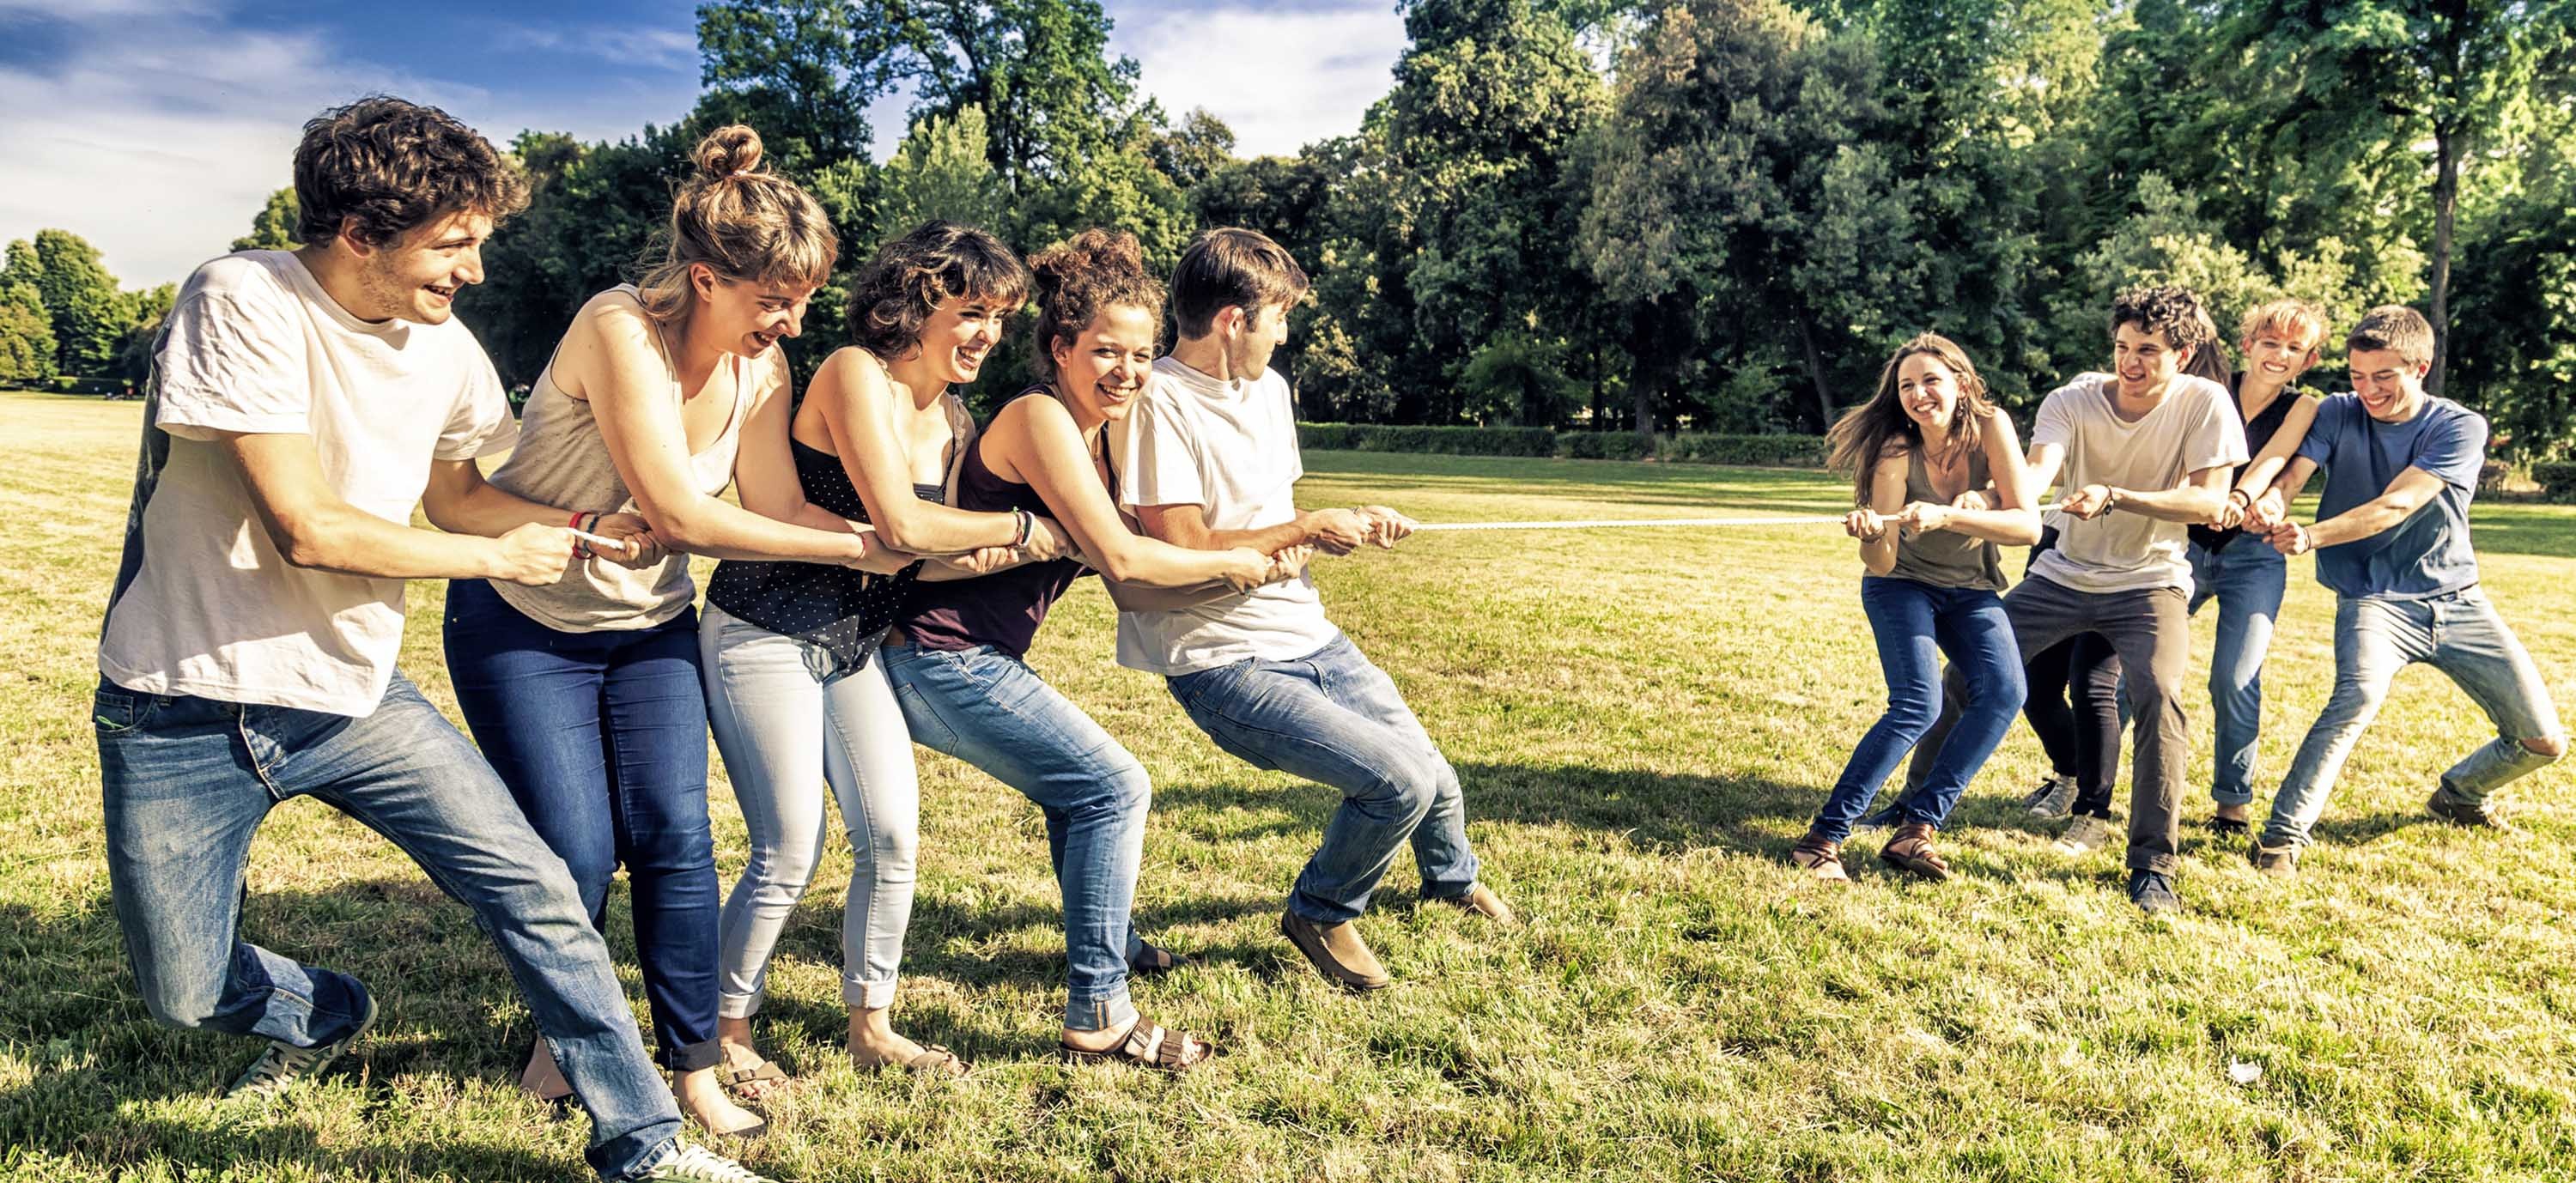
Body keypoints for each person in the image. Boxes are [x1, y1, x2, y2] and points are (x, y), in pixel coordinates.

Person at [94, 97, 768, 1183]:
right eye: (454, 243)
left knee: (540, 889)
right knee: (183, 989)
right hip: (180, 702)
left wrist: (575, 530)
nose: (476, 272)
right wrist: (503, 561)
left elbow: (460, 497)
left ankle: (644, 1144)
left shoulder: (447, 347)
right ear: (361, 231)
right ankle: (325, 1014)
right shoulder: (244, 296)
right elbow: (306, 526)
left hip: (352, 698)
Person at [439, 124, 893, 1138]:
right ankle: (565, 1040)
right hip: (522, 615)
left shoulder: (763, 371)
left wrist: (891, 530)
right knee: (577, 848)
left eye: (805, 296)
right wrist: (854, 548)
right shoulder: (619, 328)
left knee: (678, 840)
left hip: (649, 624)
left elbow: (775, 502)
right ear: (704, 275)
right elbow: (685, 515)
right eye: (774, 298)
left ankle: (694, 1070)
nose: (792, 319)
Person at [878, 228, 1285, 1069]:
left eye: (1140, 356)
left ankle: (1110, 936)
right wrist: (1241, 565)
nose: (1128, 373)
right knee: (1111, 785)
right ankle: (1098, 1013)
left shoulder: (1104, 432)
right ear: (1061, 348)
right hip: (935, 656)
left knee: (1082, 791)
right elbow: (1129, 561)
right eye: (1106, 351)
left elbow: (1151, 567)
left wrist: (1263, 548)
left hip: (978, 656)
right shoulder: (1040, 419)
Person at [701, 221, 1066, 1084]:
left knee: (893, 835)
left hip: (855, 645)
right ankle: (724, 1029)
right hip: (765, 625)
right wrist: (1023, 528)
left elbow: (923, 551)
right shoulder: (852, 373)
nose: (987, 334)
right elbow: (902, 525)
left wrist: (990, 547)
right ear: (915, 299)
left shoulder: (954, 415)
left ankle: (873, 1023)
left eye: (1000, 319)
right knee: (791, 844)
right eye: (972, 311)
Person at [1113, 227, 1513, 992]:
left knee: (1435, 773)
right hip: (1220, 658)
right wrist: (1300, 528)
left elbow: (1274, 512)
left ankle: (1451, 879)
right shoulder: (1159, 402)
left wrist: (1341, 524)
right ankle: (1321, 913)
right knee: (1397, 781)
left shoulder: (1270, 390)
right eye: (1279, 316)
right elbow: (1187, 543)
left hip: (1305, 630)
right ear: (1234, 320)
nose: (1285, 333)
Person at [1900, 285, 2248, 914]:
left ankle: (2151, 865)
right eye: (2122, 347)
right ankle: (1910, 812)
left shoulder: (2207, 403)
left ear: (2185, 352)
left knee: (2160, 696)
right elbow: (2036, 476)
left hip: (2151, 583)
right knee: (1967, 676)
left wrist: (2117, 494)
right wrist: (1993, 496)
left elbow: (2207, 501)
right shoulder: (2073, 399)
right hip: (2062, 576)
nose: (2130, 363)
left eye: (2148, 350)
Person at [2245, 306, 2565, 873]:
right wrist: (2275, 502)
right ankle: (2280, 839)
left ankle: (2460, 794)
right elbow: (2294, 475)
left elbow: (2397, 504)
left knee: (2543, 741)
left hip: (2457, 600)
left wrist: (2312, 536)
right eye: (2358, 376)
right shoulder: (2338, 413)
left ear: (2421, 366)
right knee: (2356, 700)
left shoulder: (2457, 427)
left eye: (2384, 377)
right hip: (2373, 599)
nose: (2368, 390)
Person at [1791, 335, 2038, 883]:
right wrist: (1871, 532)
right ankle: (1823, 838)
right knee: (1917, 705)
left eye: (1931, 381)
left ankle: (1916, 828)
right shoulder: (1896, 450)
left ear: (1962, 385)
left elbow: (2028, 525)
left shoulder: (1991, 427)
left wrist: (1951, 516)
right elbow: (1881, 564)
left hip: (1972, 588)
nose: (1919, 394)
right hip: (1902, 586)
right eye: (1907, 385)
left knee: (2004, 691)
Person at [2182, 300, 2329, 834]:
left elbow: (2273, 458)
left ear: (2307, 359)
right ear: (2249, 345)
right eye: (2270, 343)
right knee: (2137, 669)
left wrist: (2244, 499)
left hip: (2254, 556)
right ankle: (2087, 784)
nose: (2279, 355)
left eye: (2294, 349)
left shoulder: (2304, 405)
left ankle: (2231, 806)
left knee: (2234, 679)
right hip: (2185, 547)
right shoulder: (2209, 386)